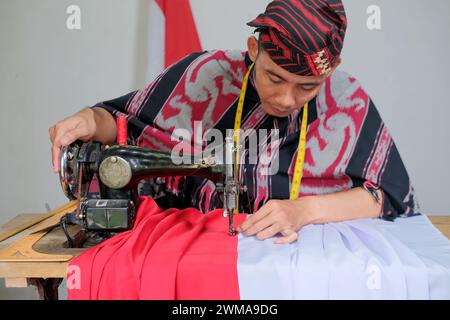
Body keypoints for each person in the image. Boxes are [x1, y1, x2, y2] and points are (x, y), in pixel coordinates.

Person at [49, 0, 420, 245]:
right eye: (274, 78)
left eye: (307, 87)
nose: (287, 99)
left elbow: (386, 195)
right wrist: (88, 118)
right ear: (254, 50)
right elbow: (123, 123)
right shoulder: (204, 75)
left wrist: (304, 210)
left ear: (331, 69)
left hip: (307, 265)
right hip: (203, 252)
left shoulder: (346, 99)